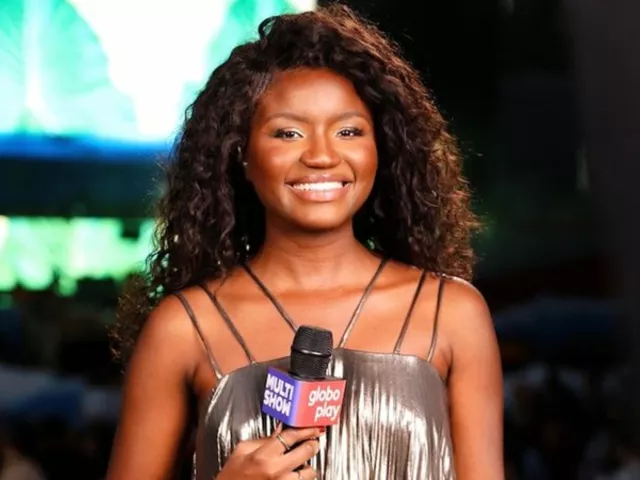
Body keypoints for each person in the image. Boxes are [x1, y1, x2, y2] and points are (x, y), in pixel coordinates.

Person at [107, 5, 504, 479]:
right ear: (241, 154)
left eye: (348, 131)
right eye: (288, 133)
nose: (321, 155)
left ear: (382, 147)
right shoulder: (183, 328)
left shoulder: (452, 313)